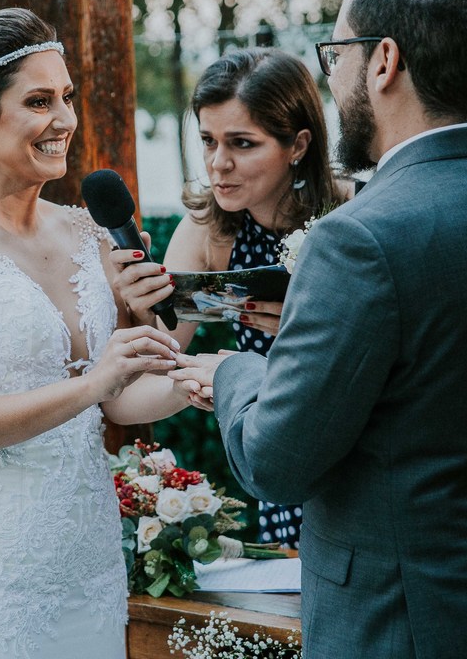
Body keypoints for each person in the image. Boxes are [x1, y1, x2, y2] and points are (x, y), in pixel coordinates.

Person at [175, 0, 467, 657]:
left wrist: (232, 372)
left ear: (384, 61)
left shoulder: (356, 239)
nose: (332, 79)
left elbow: (277, 462)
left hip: (397, 624)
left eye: (337, 55)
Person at [0, 7, 195, 659]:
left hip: (84, 556)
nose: (64, 119)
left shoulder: (88, 231)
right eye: (38, 102)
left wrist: (193, 380)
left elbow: (119, 399)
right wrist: (94, 384)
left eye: (66, 96)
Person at [110, 48, 342, 547]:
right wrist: (141, 310)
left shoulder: (352, 211)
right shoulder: (210, 231)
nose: (219, 164)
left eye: (242, 143)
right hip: (276, 450)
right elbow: (142, 380)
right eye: (208, 141)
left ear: (298, 145)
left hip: (354, 446)